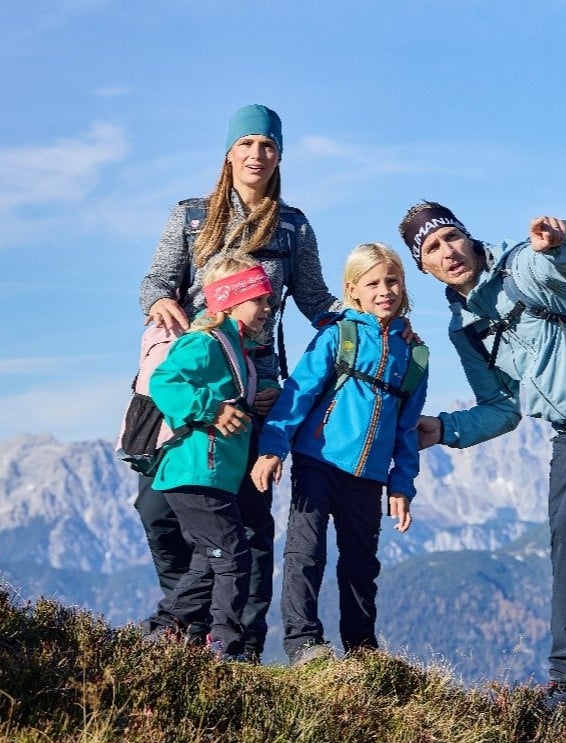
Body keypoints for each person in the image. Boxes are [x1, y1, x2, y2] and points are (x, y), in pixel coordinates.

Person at [398, 202, 566, 721]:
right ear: (424, 267)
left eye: (452, 237)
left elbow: (559, 266)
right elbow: (503, 407)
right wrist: (445, 429)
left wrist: (557, 244)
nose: (448, 251)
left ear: (470, 237)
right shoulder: (465, 328)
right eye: (432, 248)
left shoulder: (521, 265)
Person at [137, 103, 340, 659]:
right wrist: (159, 300)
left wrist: (362, 323)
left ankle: (240, 646)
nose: (257, 155)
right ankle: (181, 620)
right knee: (158, 507)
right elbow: (157, 280)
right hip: (190, 371)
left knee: (249, 518)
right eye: (247, 144)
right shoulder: (191, 216)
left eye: (268, 146)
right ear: (229, 152)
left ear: (280, 156)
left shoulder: (293, 226)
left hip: (258, 387)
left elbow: (316, 300)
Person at [251, 243, 428, 667]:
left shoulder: (415, 354)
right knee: (305, 554)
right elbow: (298, 393)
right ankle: (303, 642)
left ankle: (363, 652)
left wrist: (401, 484)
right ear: (353, 290)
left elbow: (407, 427)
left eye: (392, 280)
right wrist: (273, 448)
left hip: (368, 476)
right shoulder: (338, 335)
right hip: (318, 461)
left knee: (362, 565)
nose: (385, 290)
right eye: (373, 283)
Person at [146, 254, 273, 660]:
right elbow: (162, 381)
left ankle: (162, 630)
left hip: (215, 476)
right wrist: (212, 409)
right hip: (195, 471)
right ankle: (222, 644)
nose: (268, 309)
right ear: (230, 302)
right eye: (260, 300)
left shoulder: (242, 354)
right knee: (233, 555)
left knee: (208, 560)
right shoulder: (203, 343)